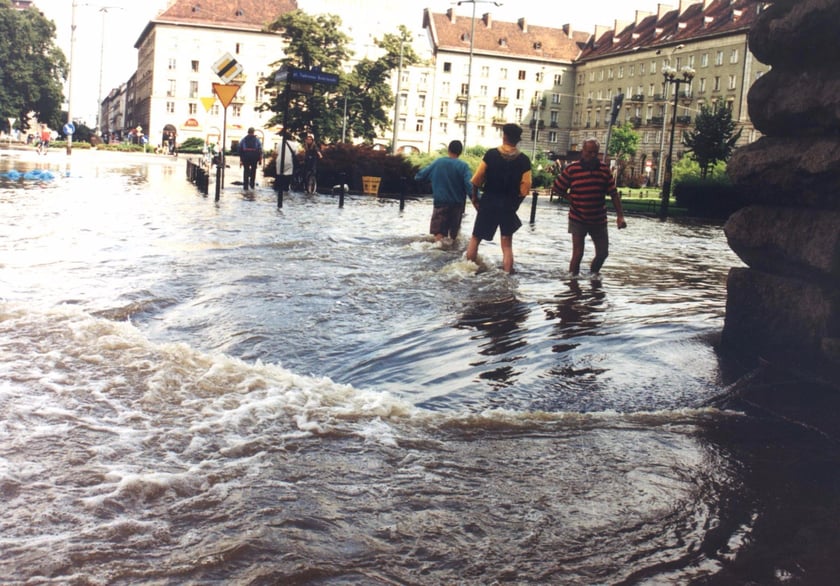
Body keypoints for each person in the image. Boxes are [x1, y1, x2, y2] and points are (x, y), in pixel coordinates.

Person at [552, 137, 627, 277]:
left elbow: (614, 193)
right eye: (589, 152)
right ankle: (572, 282)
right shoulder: (572, 169)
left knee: (603, 253)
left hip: (598, 218)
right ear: (582, 151)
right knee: (578, 253)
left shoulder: (604, 170)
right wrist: (569, 197)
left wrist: (620, 216)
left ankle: (593, 276)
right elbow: (557, 188)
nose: (592, 155)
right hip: (578, 217)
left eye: (595, 153)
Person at [465, 123, 532, 273]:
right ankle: (507, 275)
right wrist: (515, 204)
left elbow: (477, 179)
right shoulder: (524, 160)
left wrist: (475, 199)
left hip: (488, 202)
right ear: (518, 140)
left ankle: (467, 271)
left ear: (504, 136)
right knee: (507, 245)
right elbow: (525, 188)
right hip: (508, 205)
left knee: (476, 239)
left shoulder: (491, 155)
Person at [414, 139, 473, 242]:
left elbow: (419, 177)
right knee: (453, 238)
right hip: (457, 206)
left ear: (448, 149)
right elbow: (470, 187)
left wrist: (433, 179)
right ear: (460, 152)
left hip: (440, 205)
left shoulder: (438, 163)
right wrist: (477, 201)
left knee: (438, 237)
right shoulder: (464, 166)